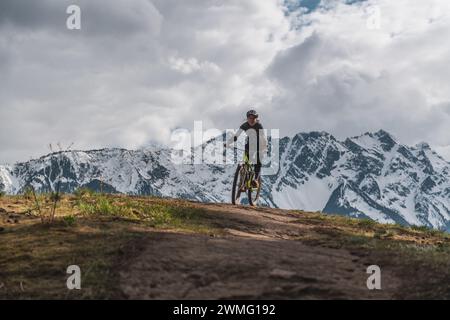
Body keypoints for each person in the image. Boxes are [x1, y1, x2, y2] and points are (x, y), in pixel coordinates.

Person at [224, 110, 267, 188]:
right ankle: (243, 178)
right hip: (250, 143)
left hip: (260, 144)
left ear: (256, 119)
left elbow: (263, 137)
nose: (251, 120)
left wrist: (263, 147)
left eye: (253, 118)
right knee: (246, 161)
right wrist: (228, 143)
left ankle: (256, 180)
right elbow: (236, 136)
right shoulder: (244, 125)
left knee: (258, 161)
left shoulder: (259, 126)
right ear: (247, 118)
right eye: (249, 118)